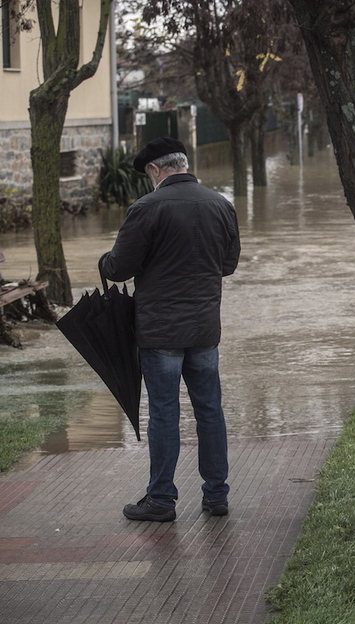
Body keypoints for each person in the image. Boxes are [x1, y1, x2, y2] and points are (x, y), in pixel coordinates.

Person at [100, 137, 240, 522]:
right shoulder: (221, 204)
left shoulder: (147, 208)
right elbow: (227, 265)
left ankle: (161, 500)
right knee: (209, 409)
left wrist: (105, 260)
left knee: (164, 413)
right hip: (204, 329)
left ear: (154, 169)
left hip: (160, 332)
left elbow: (119, 268)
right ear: (184, 163)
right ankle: (217, 495)